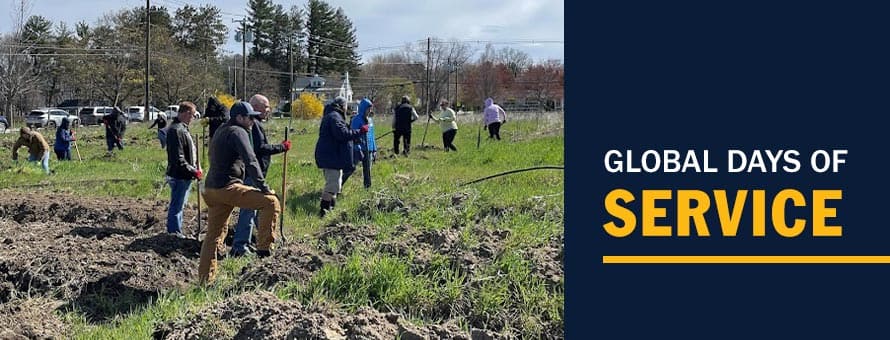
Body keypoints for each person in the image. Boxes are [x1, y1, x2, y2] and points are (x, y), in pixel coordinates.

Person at [199, 101, 280, 283]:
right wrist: (263, 186)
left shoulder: (221, 129)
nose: (253, 121)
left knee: (213, 236)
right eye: (249, 118)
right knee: (271, 202)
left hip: (211, 188)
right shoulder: (238, 131)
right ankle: (264, 250)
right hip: (227, 187)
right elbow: (250, 159)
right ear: (239, 118)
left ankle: (205, 281)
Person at [230, 94, 290, 257]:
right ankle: (240, 245)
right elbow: (260, 148)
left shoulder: (255, 124)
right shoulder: (253, 125)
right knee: (248, 210)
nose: (268, 110)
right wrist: (281, 147)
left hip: (256, 173)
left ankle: (263, 239)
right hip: (252, 174)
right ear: (256, 107)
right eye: (266, 107)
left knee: (258, 209)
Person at [314, 96, 368, 217]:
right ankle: (323, 212)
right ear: (341, 106)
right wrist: (360, 131)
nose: (346, 109)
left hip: (331, 155)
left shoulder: (332, 115)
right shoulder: (334, 117)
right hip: (331, 156)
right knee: (332, 185)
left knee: (336, 184)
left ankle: (331, 209)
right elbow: (342, 134)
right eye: (345, 106)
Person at [165, 102, 201, 238]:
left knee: (179, 204)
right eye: (192, 115)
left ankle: (176, 230)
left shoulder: (182, 129)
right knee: (177, 204)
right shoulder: (176, 130)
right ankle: (174, 232)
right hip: (179, 174)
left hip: (184, 173)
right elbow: (178, 158)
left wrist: (196, 167)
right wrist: (193, 171)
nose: (193, 118)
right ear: (186, 113)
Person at [346, 97, 374, 188]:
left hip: (368, 149)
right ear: (363, 108)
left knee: (368, 170)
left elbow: (371, 135)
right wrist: (357, 146)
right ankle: (338, 185)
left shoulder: (370, 120)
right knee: (351, 168)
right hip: (358, 149)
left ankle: (367, 187)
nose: (370, 110)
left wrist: (374, 149)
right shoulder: (356, 119)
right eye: (368, 108)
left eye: (370, 108)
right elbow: (353, 134)